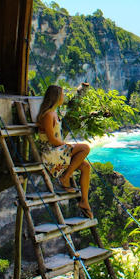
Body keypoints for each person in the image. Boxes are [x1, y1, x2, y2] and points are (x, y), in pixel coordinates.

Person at [36, 85, 93, 219]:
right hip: (50, 153)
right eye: (62, 94)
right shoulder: (48, 115)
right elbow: (51, 140)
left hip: (57, 150)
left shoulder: (54, 113)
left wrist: (67, 146)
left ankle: (84, 201)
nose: (64, 97)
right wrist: (67, 145)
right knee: (85, 148)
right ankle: (65, 177)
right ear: (56, 97)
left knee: (86, 167)